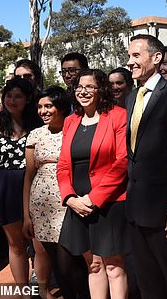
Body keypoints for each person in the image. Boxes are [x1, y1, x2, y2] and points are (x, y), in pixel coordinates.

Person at [56, 69, 129, 299]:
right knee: (94, 265)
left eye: (89, 87)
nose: (83, 92)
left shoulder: (118, 116)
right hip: (77, 203)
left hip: (109, 203)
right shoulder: (70, 121)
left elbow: (123, 160)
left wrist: (93, 198)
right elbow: (63, 165)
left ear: (101, 90)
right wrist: (70, 198)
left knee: (114, 267)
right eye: (79, 87)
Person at [125, 35, 167, 299]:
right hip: (136, 208)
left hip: (163, 210)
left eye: (136, 56)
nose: (130, 62)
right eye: (129, 56)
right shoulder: (131, 97)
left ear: (156, 57)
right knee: (147, 281)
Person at [23, 87, 90, 299]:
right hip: (41, 205)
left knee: (70, 260)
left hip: (67, 201)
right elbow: (28, 176)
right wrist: (26, 215)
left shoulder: (74, 128)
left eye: (48, 106)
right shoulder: (35, 134)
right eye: (40, 107)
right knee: (56, 264)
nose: (43, 111)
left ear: (60, 107)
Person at [0, 78, 42, 286]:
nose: (12, 100)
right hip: (4, 187)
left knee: (39, 244)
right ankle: (23, 290)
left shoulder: (37, 123)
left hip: (34, 187)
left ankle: (42, 287)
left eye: (18, 96)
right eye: (9, 96)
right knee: (15, 245)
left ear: (28, 99)